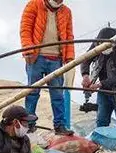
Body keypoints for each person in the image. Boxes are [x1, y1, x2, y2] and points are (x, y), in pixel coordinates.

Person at [20, 0, 75, 136]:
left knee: (57, 94)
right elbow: (26, 28)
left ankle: (60, 126)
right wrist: (28, 50)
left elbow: (69, 35)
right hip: (36, 56)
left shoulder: (66, 12)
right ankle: (29, 124)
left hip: (56, 58)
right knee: (32, 92)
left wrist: (69, 58)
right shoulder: (34, 4)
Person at [80, 27, 116, 129]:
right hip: (104, 90)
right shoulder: (97, 43)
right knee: (101, 121)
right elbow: (86, 58)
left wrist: (98, 85)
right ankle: (99, 144)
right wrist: (85, 75)